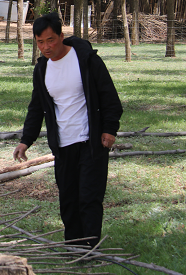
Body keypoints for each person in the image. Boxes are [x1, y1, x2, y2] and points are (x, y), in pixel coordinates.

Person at [13, 13, 123, 248]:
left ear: (61, 36)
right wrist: (26, 140)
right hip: (62, 145)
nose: (46, 47)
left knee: (89, 197)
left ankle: (89, 248)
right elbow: (36, 107)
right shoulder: (42, 69)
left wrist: (110, 129)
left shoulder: (86, 59)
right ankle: (73, 245)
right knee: (68, 198)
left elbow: (109, 97)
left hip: (91, 141)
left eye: (50, 40)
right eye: (40, 42)